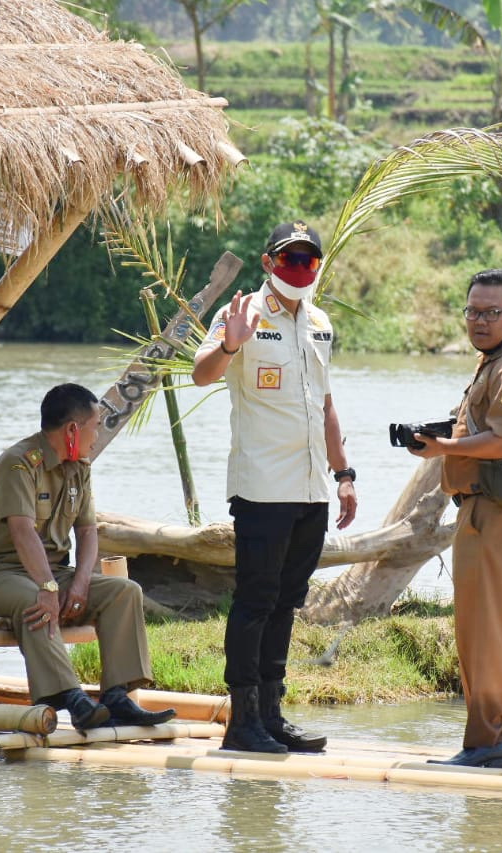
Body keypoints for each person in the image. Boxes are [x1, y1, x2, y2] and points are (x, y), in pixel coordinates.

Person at [192, 221, 358, 754]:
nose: (299, 269)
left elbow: (325, 405)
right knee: (255, 602)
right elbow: (201, 373)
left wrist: (344, 474)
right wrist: (229, 348)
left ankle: (272, 715)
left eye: (309, 261)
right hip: (263, 488)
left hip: (312, 490)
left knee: (287, 602)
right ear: (268, 262)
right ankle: (242, 723)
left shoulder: (321, 323)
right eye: (289, 259)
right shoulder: (239, 315)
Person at [0, 383, 175, 732]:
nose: (96, 436)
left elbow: (88, 531)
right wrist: (48, 587)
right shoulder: (17, 463)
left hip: (54, 573)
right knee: (36, 600)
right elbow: (22, 530)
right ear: (73, 429)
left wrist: (81, 581)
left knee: (124, 591)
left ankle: (117, 697)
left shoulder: (79, 467)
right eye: (94, 426)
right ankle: (71, 699)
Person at [406, 268, 502, 769]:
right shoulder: (498, 361)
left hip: (494, 514)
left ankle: (486, 744)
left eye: (492, 313)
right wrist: (449, 433)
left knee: (484, 631)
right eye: (472, 311)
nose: (480, 321)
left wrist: (443, 446)